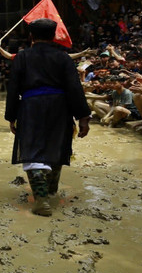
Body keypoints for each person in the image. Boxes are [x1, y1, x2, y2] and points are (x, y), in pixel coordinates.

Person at [5, 18, 91, 217]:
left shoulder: (22, 57)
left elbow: (13, 89)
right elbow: (74, 88)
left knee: (32, 149)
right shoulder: (64, 58)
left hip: (30, 105)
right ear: (54, 36)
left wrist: (11, 116)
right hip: (60, 106)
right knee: (57, 145)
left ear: (31, 36)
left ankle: (41, 199)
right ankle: (51, 190)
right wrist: (83, 116)